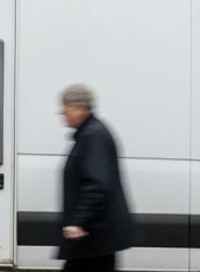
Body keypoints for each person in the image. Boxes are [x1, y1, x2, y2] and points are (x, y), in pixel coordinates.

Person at [57, 83, 134, 272]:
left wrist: (78, 222)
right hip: (94, 235)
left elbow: (98, 185)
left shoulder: (93, 136)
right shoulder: (89, 133)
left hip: (92, 235)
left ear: (81, 108)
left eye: (66, 106)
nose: (62, 112)